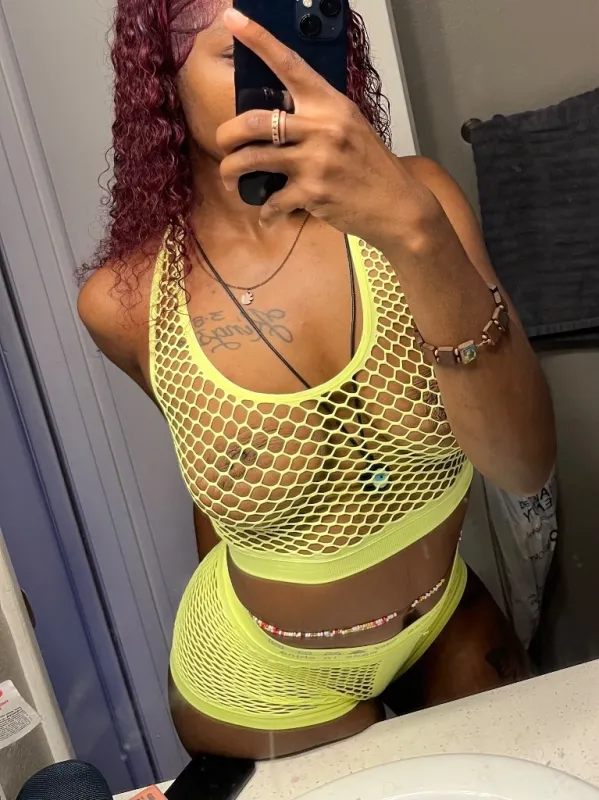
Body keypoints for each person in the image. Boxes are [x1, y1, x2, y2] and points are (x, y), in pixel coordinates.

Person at [78, 0, 556, 760]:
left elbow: (524, 465)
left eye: (300, 39)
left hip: (441, 616)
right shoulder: (125, 302)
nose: (287, 75)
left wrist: (415, 232)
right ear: (163, 78)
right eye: (244, 53)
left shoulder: (418, 202)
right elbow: (219, 477)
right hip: (263, 677)